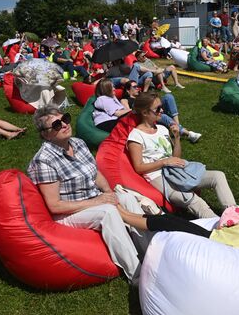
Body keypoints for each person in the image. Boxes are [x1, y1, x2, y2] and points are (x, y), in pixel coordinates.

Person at [27, 105, 150, 284]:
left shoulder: (78, 143)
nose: (64, 125)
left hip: (93, 198)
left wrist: (109, 192)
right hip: (68, 212)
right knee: (107, 211)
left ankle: (150, 254)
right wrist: (98, 201)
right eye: (56, 125)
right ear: (45, 134)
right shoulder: (44, 160)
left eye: (65, 119)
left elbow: (96, 174)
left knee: (127, 198)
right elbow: (54, 205)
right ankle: (137, 275)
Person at [127, 92, 237, 218]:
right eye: (157, 109)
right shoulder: (136, 135)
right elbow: (139, 167)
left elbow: (176, 157)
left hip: (176, 171)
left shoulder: (162, 129)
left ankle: (235, 215)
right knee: (192, 199)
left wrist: (177, 137)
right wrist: (164, 162)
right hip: (158, 176)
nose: (162, 111)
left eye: (161, 106)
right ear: (145, 113)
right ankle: (219, 228)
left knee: (218, 176)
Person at [120, 80, 201, 143]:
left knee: (168, 97)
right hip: (147, 114)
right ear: (128, 90)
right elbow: (129, 111)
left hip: (154, 110)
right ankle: (188, 134)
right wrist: (152, 108)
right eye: (134, 87)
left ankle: (177, 125)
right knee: (163, 116)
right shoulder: (125, 100)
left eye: (138, 86)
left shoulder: (142, 96)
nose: (138, 88)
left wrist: (156, 107)